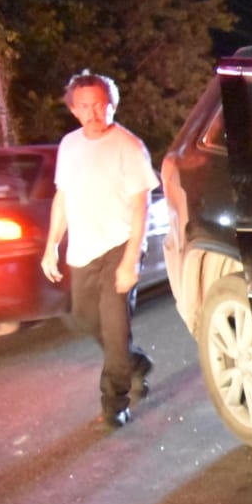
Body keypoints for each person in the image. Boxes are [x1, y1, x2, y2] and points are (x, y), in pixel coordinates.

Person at [41, 71, 159, 430]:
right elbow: (63, 197)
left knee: (115, 331)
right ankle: (134, 362)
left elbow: (141, 206)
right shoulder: (69, 145)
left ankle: (113, 405)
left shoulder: (128, 146)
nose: (93, 112)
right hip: (82, 252)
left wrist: (130, 260)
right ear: (74, 110)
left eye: (100, 105)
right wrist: (51, 246)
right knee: (89, 323)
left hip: (118, 248)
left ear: (112, 105)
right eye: (85, 106)